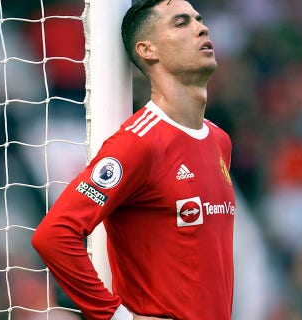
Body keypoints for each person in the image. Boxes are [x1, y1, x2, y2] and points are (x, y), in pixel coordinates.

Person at [31, 0, 235, 319]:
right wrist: (117, 317)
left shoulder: (219, 140)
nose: (201, 27)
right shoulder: (139, 143)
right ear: (147, 49)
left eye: (199, 19)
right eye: (181, 23)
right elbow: (54, 234)